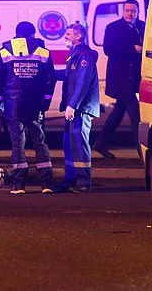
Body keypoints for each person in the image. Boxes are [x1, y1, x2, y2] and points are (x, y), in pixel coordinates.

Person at [0, 21, 57, 194]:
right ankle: (46, 184)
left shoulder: (5, 51)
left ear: (16, 34)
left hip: (14, 105)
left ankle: (19, 185)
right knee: (40, 143)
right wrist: (46, 102)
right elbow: (50, 79)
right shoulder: (43, 51)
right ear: (33, 34)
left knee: (18, 144)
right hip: (35, 105)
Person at [92, 0, 145, 159]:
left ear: (138, 11)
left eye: (133, 11)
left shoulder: (142, 26)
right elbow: (109, 49)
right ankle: (141, 151)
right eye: (127, 10)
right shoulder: (113, 27)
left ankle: (100, 143)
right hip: (121, 79)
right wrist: (132, 49)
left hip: (135, 77)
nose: (130, 13)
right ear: (123, 11)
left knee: (118, 111)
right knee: (136, 115)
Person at [56, 23, 100, 193]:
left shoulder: (84, 56)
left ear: (78, 36)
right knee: (69, 144)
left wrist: (72, 105)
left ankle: (83, 181)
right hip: (74, 109)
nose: (65, 36)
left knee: (79, 144)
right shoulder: (74, 55)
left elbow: (82, 83)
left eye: (68, 34)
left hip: (80, 109)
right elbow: (68, 76)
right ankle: (70, 179)